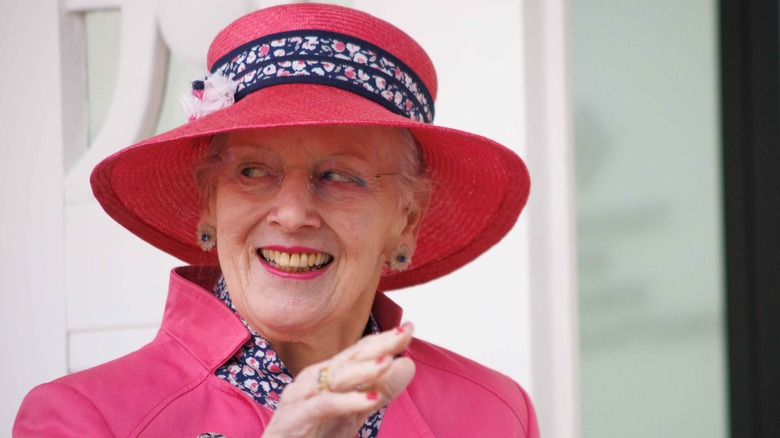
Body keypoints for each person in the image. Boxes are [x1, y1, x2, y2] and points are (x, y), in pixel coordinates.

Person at [14, 3, 537, 437]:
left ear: (406, 220)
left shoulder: (494, 413)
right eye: (252, 170)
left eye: (339, 176)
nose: (291, 214)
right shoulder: (84, 418)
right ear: (208, 203)